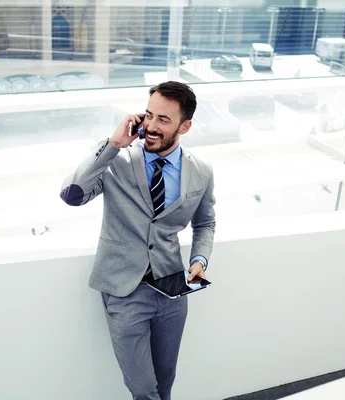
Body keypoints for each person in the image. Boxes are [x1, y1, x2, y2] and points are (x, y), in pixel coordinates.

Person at [60, 81, 216, 400]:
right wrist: (112, 144)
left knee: (166, 378)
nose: (151, 126)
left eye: (163, 119)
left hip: (172, 289)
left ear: (185, 126)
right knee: (143, 387)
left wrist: (199, 260)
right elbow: (71, 195)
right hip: (124, 291)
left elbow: (205, 222)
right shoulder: (116, 160)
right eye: (148, 115)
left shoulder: (200, 171)